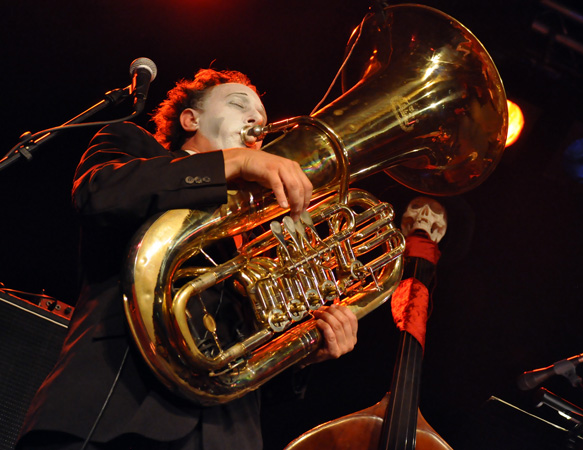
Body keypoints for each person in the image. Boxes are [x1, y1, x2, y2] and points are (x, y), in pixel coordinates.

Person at [17, 68, 358, 450]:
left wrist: (306, 349)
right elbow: (100, 196)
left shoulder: (264, 231)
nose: (257, 120)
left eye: (262, 117)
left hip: (226, 435)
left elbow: (254, 367)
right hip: (113, 413)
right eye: (238, 104)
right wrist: (230, 164)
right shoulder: (133, 146)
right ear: (190, 119)